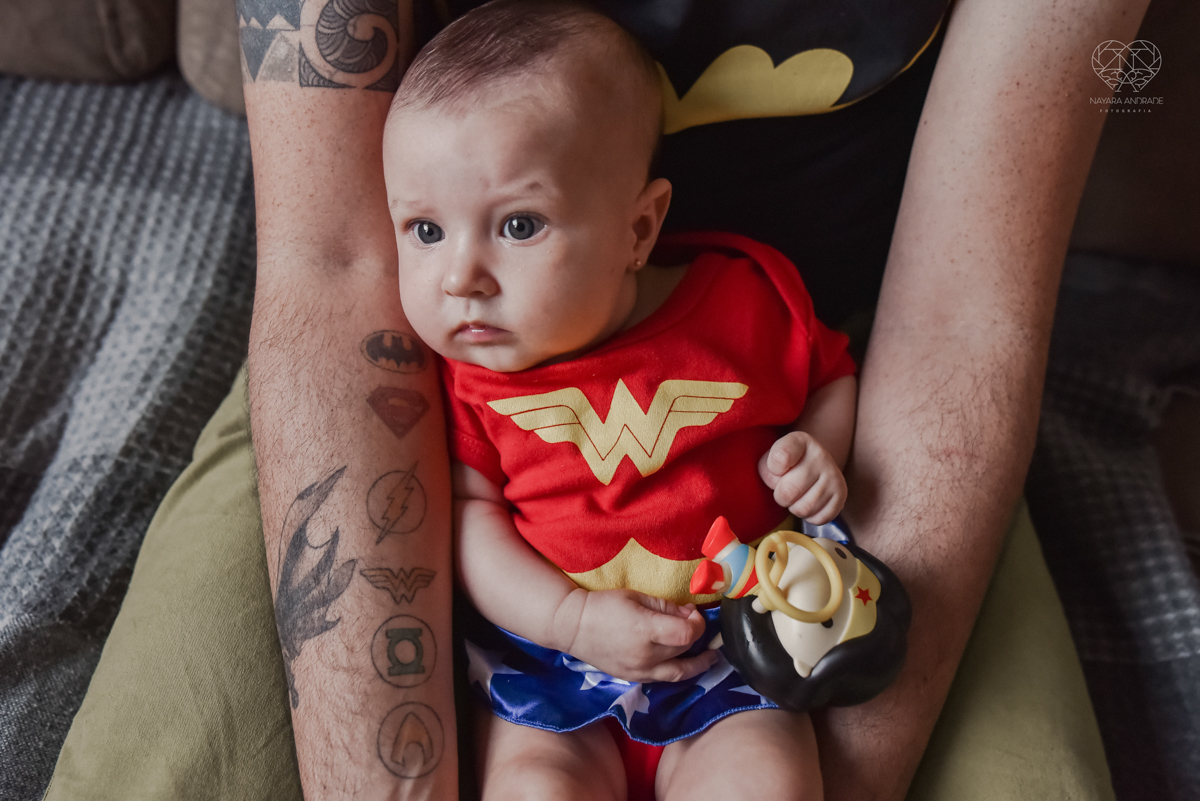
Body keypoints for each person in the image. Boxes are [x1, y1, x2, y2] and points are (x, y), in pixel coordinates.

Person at [46, 0, 1146, 798]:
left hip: (869, 386)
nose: (470, 261)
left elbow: (967, 307)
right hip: (390, 369)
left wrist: (807, 710)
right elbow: (340, 266)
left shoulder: (758, 308)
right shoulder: (449, 316)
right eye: (438, 230)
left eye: (515, 227)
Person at [383, 5, 858, 796]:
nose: (459, 276)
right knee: (533, 787)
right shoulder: (466, 377)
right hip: (556, 666)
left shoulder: (742, 304)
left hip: (729, 654)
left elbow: (833, 374)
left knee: (768, 783)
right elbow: (470, 517)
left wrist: (819, 447)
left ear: (638, 230)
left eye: (519, 224)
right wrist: (571, 620)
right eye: (425, 231)